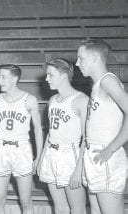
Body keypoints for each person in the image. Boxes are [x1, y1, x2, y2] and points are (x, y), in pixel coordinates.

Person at [76, 39, 128, 214]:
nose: (77, 63)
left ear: (95, 59)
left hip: (105, 154)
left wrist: (112, 148)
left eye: (80, 58)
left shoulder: (108, 81)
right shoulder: (97, 86)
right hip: (94, 155)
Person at [0, 64, 43, 214]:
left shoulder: (29, 100)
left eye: (3, 77)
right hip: (1, 149)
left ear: (15, 78)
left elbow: (38, 130)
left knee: (26, 201)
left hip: (21, 150)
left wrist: (38, 156)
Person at [38, 58, 88, 214]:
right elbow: (50, 133)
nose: (46, 79)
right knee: (59, 206)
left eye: (50, 75)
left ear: (64, 75)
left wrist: (78, 169)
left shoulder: (81, 100)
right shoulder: (52, 100)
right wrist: (41, 159)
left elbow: (87, 139)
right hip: (52, 154)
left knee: (77, 208)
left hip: (70, 156)